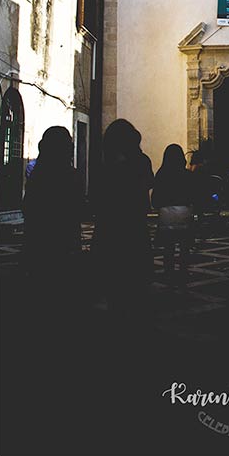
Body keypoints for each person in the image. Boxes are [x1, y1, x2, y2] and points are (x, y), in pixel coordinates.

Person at [92, 119, 154, 319]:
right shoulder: (141, 161)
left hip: (109, 231)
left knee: (114, 288)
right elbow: (146, 186)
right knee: (135, 286)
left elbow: (96, 199)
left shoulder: (105, 166)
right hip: (133, 230)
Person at [22, 126, 84, 311]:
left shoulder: (38, 176)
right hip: (65, 246)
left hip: (38, 247)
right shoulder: (72, 176)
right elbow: (77, 209)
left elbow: (28, 208)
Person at [152, 144, 197, 279]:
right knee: (184, 248)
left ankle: (168, 272)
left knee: (168, 248)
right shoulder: (187, 174)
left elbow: (155, 199)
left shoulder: (161, 174)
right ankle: (183, 271)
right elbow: (194, 195)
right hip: (184, 215)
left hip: (167, 216)